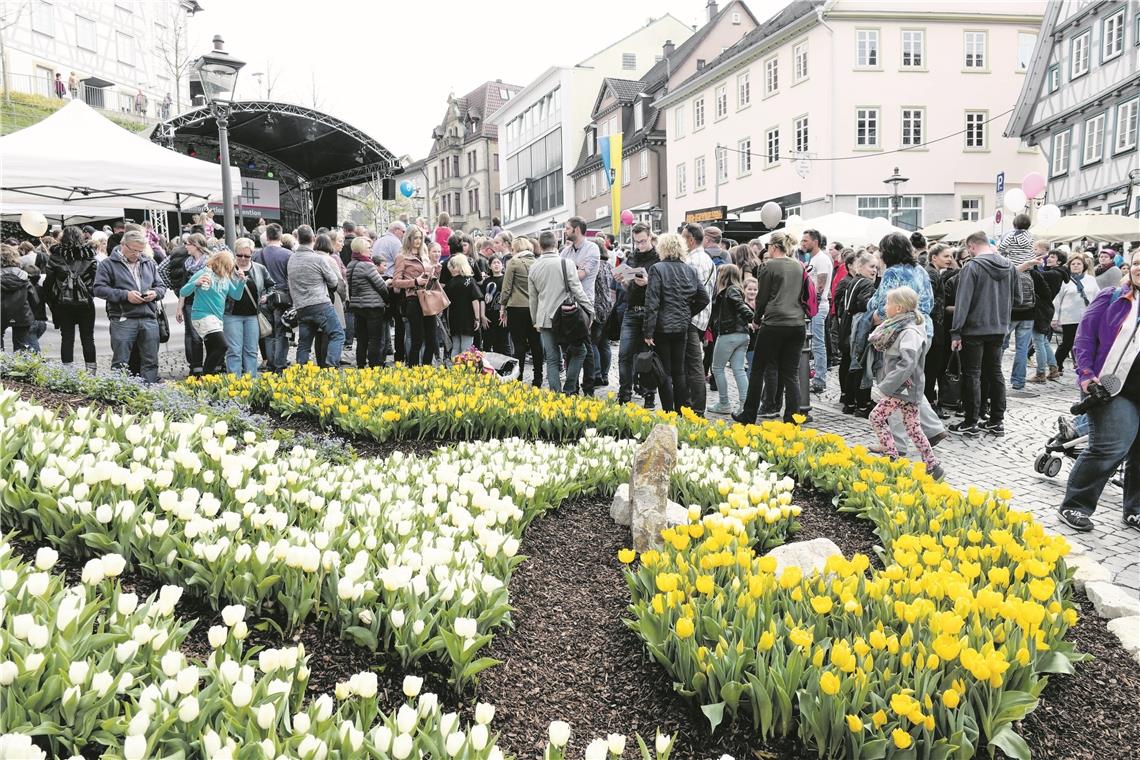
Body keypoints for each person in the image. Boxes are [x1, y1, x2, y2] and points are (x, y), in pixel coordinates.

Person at [1056, 247, 1140, 532]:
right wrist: (1086, 375)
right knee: (1111, 446)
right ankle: (1075, 505)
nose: (1139, 268)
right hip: (1110, 388)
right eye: (1136, 263)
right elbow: (1084, 337)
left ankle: (1135, 510)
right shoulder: (1112, 297)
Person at [865, 233, 947, 450]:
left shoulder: (892, 272)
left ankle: (895, 443)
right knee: (909, 381)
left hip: (899, 332)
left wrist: (873, 313)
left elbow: (882, 304)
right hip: (924, 330)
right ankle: (932, 429)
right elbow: (928, 303)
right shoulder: (920, 270)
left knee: (893, 383)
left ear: (888, 252)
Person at [869, 286, 944, 480]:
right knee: (913, 427)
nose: (885, 307)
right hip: (908, 388)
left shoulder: (909, 331)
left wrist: (885, 387)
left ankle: (892, 457)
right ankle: (933, 465)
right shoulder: (903, 326)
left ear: (899, 308)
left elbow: (907, 364)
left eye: (888, 303)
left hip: (902, 388)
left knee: (876, 417)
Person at [734, 233, 808, 424]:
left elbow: (762, 297)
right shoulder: (798, 266)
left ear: (774, 247)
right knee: (790, 373)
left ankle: (749, 414)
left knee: (758, 369)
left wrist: (756, 319)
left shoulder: (769, 266)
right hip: (797, 323)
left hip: (774, 323)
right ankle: (792, 417)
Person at [949, 231, 1016, 437]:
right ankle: (997, 420)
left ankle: (971, 421)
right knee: (995, 372)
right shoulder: (1010, 266)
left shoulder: (972, 267)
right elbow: (1018, 298)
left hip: (975, 328)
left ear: (971, 246)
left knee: (972, 374)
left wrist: (956, 332)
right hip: (999, 327)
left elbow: (963, 302)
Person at [643, 233, 709, 413]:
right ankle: (681, 410)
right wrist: (687, 313)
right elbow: (703, 298)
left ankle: (668, 411)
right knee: (679, 371)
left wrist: (648, 332)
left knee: (664, 372)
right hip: (682, 326)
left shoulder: (657, 268)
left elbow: (652, 302)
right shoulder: (690, 270)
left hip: (662, 328)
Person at [92, 230, 165, 382]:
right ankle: (121, 394)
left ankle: (148, 393)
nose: (137, 254)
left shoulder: (149, 263)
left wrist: (155, 293)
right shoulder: (108, 264)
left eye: (140, 250)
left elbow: (161, 286)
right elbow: (98, 289)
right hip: (123, 318)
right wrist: (126, 295)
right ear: (123, 245)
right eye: (134, 250)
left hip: (149, 317)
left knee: (151, 361)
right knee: (121, 361)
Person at [530, 230, 594, 395]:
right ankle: (569, 388)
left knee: (552, 359)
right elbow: (578, 290)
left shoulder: (534, 266)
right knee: (580, 352)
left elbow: (533, 298)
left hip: (544, 318)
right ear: (556, 244)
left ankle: (555, 395)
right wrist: (590, 310)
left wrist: (535, 320)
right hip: (567, 317)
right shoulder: (566, 263)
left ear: (540, 245)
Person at [287, 225, 345, 368]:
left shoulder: (291, 260)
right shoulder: (318, 259)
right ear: (313, 238)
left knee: (304, 343)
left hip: (301, 307)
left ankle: (302, 372)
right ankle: (330, 367)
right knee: (337, 334)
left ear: (298, 239)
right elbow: (333, 281)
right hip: (320, 304)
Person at [616, 223, 661, 407]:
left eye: (643, 241)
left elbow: (662, 287)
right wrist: (623, 281)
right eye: (636, 242)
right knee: (624, 354)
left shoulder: (658, 258)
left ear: (650, 236)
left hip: (649, 313)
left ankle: (649, 395)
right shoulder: (632, 257)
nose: (640, 245)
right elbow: (629, 287)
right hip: (631, 310)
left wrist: (648, 282)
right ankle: (624, 393)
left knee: (646, 356)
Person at [180, 249, 244, 375]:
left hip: (216, 318)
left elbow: (236, 295)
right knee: (222, 346)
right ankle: (205, 376)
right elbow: (183, 291)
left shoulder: (225, 277)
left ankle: (209, 381)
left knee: (213, 350)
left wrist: (242, 282)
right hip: (202, 316)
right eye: (228, 267)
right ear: (220, 264)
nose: (230, 270)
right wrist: (196, 283)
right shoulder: (203, 273)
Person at [43, 226, 98, 370]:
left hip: (63, 303)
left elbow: (48, 283)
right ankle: (91, 373)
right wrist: (89, 292)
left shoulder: (55, 256)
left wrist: (53, 301)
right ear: (81, 237)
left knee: (67, 338)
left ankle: (68, 373)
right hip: (85, 303)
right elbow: (96, 280)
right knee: (88, 338)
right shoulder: (89, 255)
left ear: (63, 237)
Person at [561, 217, 601, 394]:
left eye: (567, 228)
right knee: (570, 346)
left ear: (576, 230)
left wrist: (572, 271)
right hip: (568, 303)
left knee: (586, 345)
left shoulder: (592, 249)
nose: (565, 231)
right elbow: (561, 273)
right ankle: (573, 387)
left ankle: (588, 387)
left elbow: (582, 275)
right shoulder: (566, 251)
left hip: (584, 303)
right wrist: (574, 269)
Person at [835, 252, 878, 414]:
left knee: (851, 364)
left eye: (876, 267)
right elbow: (864, 303)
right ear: (860, 267)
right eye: (871, 267)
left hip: (848, 325)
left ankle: (850, 402)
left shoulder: (854, 281)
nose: (875, 270)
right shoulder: (866, 283)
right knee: (860, 365)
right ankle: (862, 404)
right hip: (858, 327)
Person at [224, 238, 274, 377]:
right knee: (234, 350)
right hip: (231, 314)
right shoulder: (228, 268)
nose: (243, 258)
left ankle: (250, 383)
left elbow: (272, 286)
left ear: (252, 254)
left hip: (253, 315)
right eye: (239, 255)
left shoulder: (259, 268)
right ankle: (235, 383)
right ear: (235, 253)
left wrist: (267, 296)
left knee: (251, 350)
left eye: (247, 256)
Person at [708, 264, 754, 415]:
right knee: (739, 370)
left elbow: (740, 306)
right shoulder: (736, 290)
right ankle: (744, 405)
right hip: (742, 335)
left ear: (725, 275)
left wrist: (753, 319)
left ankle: (724, 403)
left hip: (729, 334)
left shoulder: (730, 290)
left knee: (717, 369)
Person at [391, 226, 441, 367]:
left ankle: (426, 368)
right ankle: (413, 370)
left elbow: (431, 280)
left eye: (420, 237)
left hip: (427, 297)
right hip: (413, 298)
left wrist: (435, 272)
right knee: (417, 339)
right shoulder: (402, 257)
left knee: (431, 339)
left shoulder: (424, 255)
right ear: (409, 239)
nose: (418, 241)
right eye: (415, 238)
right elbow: (395, 282)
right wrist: (414, 281)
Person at [681, 223, 715, 415]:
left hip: (692, 318)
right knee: (692, 363)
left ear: (690, 240)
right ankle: (693, 406)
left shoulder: (692, 261)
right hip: (702, 317)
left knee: (693, 365)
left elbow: (690, 293)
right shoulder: (707, 259)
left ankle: (697, 408)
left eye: (683, 237)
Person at [501, 237, 543, 387]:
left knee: (518, 344)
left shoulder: (513, 262)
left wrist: (502, 307)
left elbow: (506, 289)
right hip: (535, 308)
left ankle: (518, 378)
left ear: (516, 249)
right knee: (536, 343)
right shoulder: (538, 263)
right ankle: (538, 377)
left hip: (516, 308)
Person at [1053, 252, 1100, 374]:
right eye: (1073, 264)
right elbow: (1057, 300)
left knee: (1086, 343)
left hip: (1086, 317)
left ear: (1083, 266)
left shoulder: (1091, 280)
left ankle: (1084, 366)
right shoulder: (1065, 281)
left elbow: (1097, 297)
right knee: (1068, 343)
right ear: (1069, 266)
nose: (1076, 266)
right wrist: (1055, 317)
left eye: (1079, 264)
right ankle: (1056, 365)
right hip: (1069, 317)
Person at [346, 236, 388, 368]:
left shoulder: (351, 264)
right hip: (372, 306)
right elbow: (381, 286)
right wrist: (387, 298)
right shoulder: (367, 265)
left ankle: (360, 364)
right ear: (362, 249)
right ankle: (375, 365)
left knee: (362, 339)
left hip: (358, 306)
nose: (371, 250)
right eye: (368, 248)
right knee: (374, 338)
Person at [256, 224, 292, 372]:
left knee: (268, 333)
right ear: (280, 235)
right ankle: (280, 364)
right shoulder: (287, 254)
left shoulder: (256, 254)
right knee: (282, 332)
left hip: (263, 297)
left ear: (267, 236)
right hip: (282, 297)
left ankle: (270, 363)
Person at [923, 244, 954, 411]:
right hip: (933, 327)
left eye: (950, 256)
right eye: (946, 256)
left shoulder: (934, 272)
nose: (950, 259)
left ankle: (929, 399)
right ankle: (928, 402)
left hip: (935, 326)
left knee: (932, 366)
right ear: (934, 257)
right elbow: (931, 303)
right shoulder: (931, 274)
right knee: (931, 367)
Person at [802, 229, 832, 393]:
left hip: (818, 307)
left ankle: (820, 380)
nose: (803, 243)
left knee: (818, 344)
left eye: (806, 240)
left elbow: (820, 285)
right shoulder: (814, 258)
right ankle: (815, 376)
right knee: (813, 343)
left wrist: (814, 303)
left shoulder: (821, 259)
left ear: (815, 241)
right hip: (813, 307)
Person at [443, 254, 484, 358]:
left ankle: (454, 370)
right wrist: (477, 318)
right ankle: (464, 371)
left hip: (453, 318)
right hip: (467, 318)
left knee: (456, 346)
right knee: (466, 347)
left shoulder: (450, 283)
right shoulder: (470, 281)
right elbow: (475, 300)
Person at [1, 245, 40, 352]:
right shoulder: (23, 276)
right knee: (22, 346)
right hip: (22, 313)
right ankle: (21, 368)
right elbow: (34, 299)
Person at [481, 256, 509, 353]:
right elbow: (482, 300)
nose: (496, 265)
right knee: (487, 344)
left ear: (502, 265)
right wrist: (482, 316)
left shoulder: (506, 280)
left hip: (501, 316)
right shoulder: (486, 281)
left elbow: (508, 298)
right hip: (489, 317)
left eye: (498, 262)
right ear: (489, 266)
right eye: (494, 263)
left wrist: (506, 313)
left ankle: (505, 367)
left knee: (502, 344)